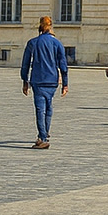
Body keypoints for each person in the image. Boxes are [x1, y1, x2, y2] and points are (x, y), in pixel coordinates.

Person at [21, 16, 69, 149]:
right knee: (48, 107)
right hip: (52, 80)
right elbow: (63, 65)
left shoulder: (33, 43)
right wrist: (65, 83)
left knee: (40, 109)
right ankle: (44, 134)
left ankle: (42, 137)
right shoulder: (57, 43)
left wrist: (25, 80)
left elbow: (25, 64)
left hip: (38, 79)